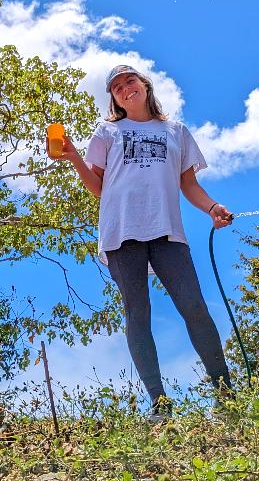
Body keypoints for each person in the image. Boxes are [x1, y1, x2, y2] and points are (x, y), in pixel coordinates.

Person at [59, 64, 234, 419]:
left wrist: (212, 207)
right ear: (114, 98)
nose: (125, 88)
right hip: (121, 232)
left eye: (130, 81)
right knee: (138, 313)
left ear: (145, 85)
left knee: (194, 306)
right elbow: (99, 189)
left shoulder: (175, 131)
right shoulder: (107, 131)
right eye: (117, 87)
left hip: (167, 230)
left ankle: (226, 396)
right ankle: (160, 403)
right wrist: (75, 157)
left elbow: (188, 185)